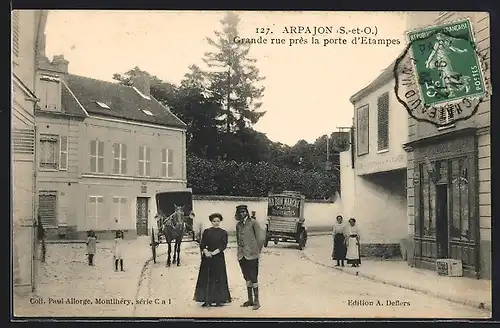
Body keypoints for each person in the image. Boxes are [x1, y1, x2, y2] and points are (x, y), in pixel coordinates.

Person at [193, 213, 231, 307]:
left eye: (218, 221)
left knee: (218, 277)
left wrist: (214, 253)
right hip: (207, 258)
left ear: (220, 221)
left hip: (218, 258)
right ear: (211, 222)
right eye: (214, 221)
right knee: (207, 277)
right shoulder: (207, 231)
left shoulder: (223, 232)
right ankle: (207, 299)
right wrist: (205, 251)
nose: (216, 223)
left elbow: (223, 245)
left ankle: (218, 300)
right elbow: (203, 243)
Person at [235, 204, 265, 310]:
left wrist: (257, 251)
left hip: (252, 255)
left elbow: (260, 238)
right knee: (246, 277)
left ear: (246, 212)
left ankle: (257, 301)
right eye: (240, 212)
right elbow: (238, 239)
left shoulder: (253, 222)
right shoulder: (238, 225)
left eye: (243, 212)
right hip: (242, 255)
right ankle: (250, 300)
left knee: (254, 277)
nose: (242, 214)